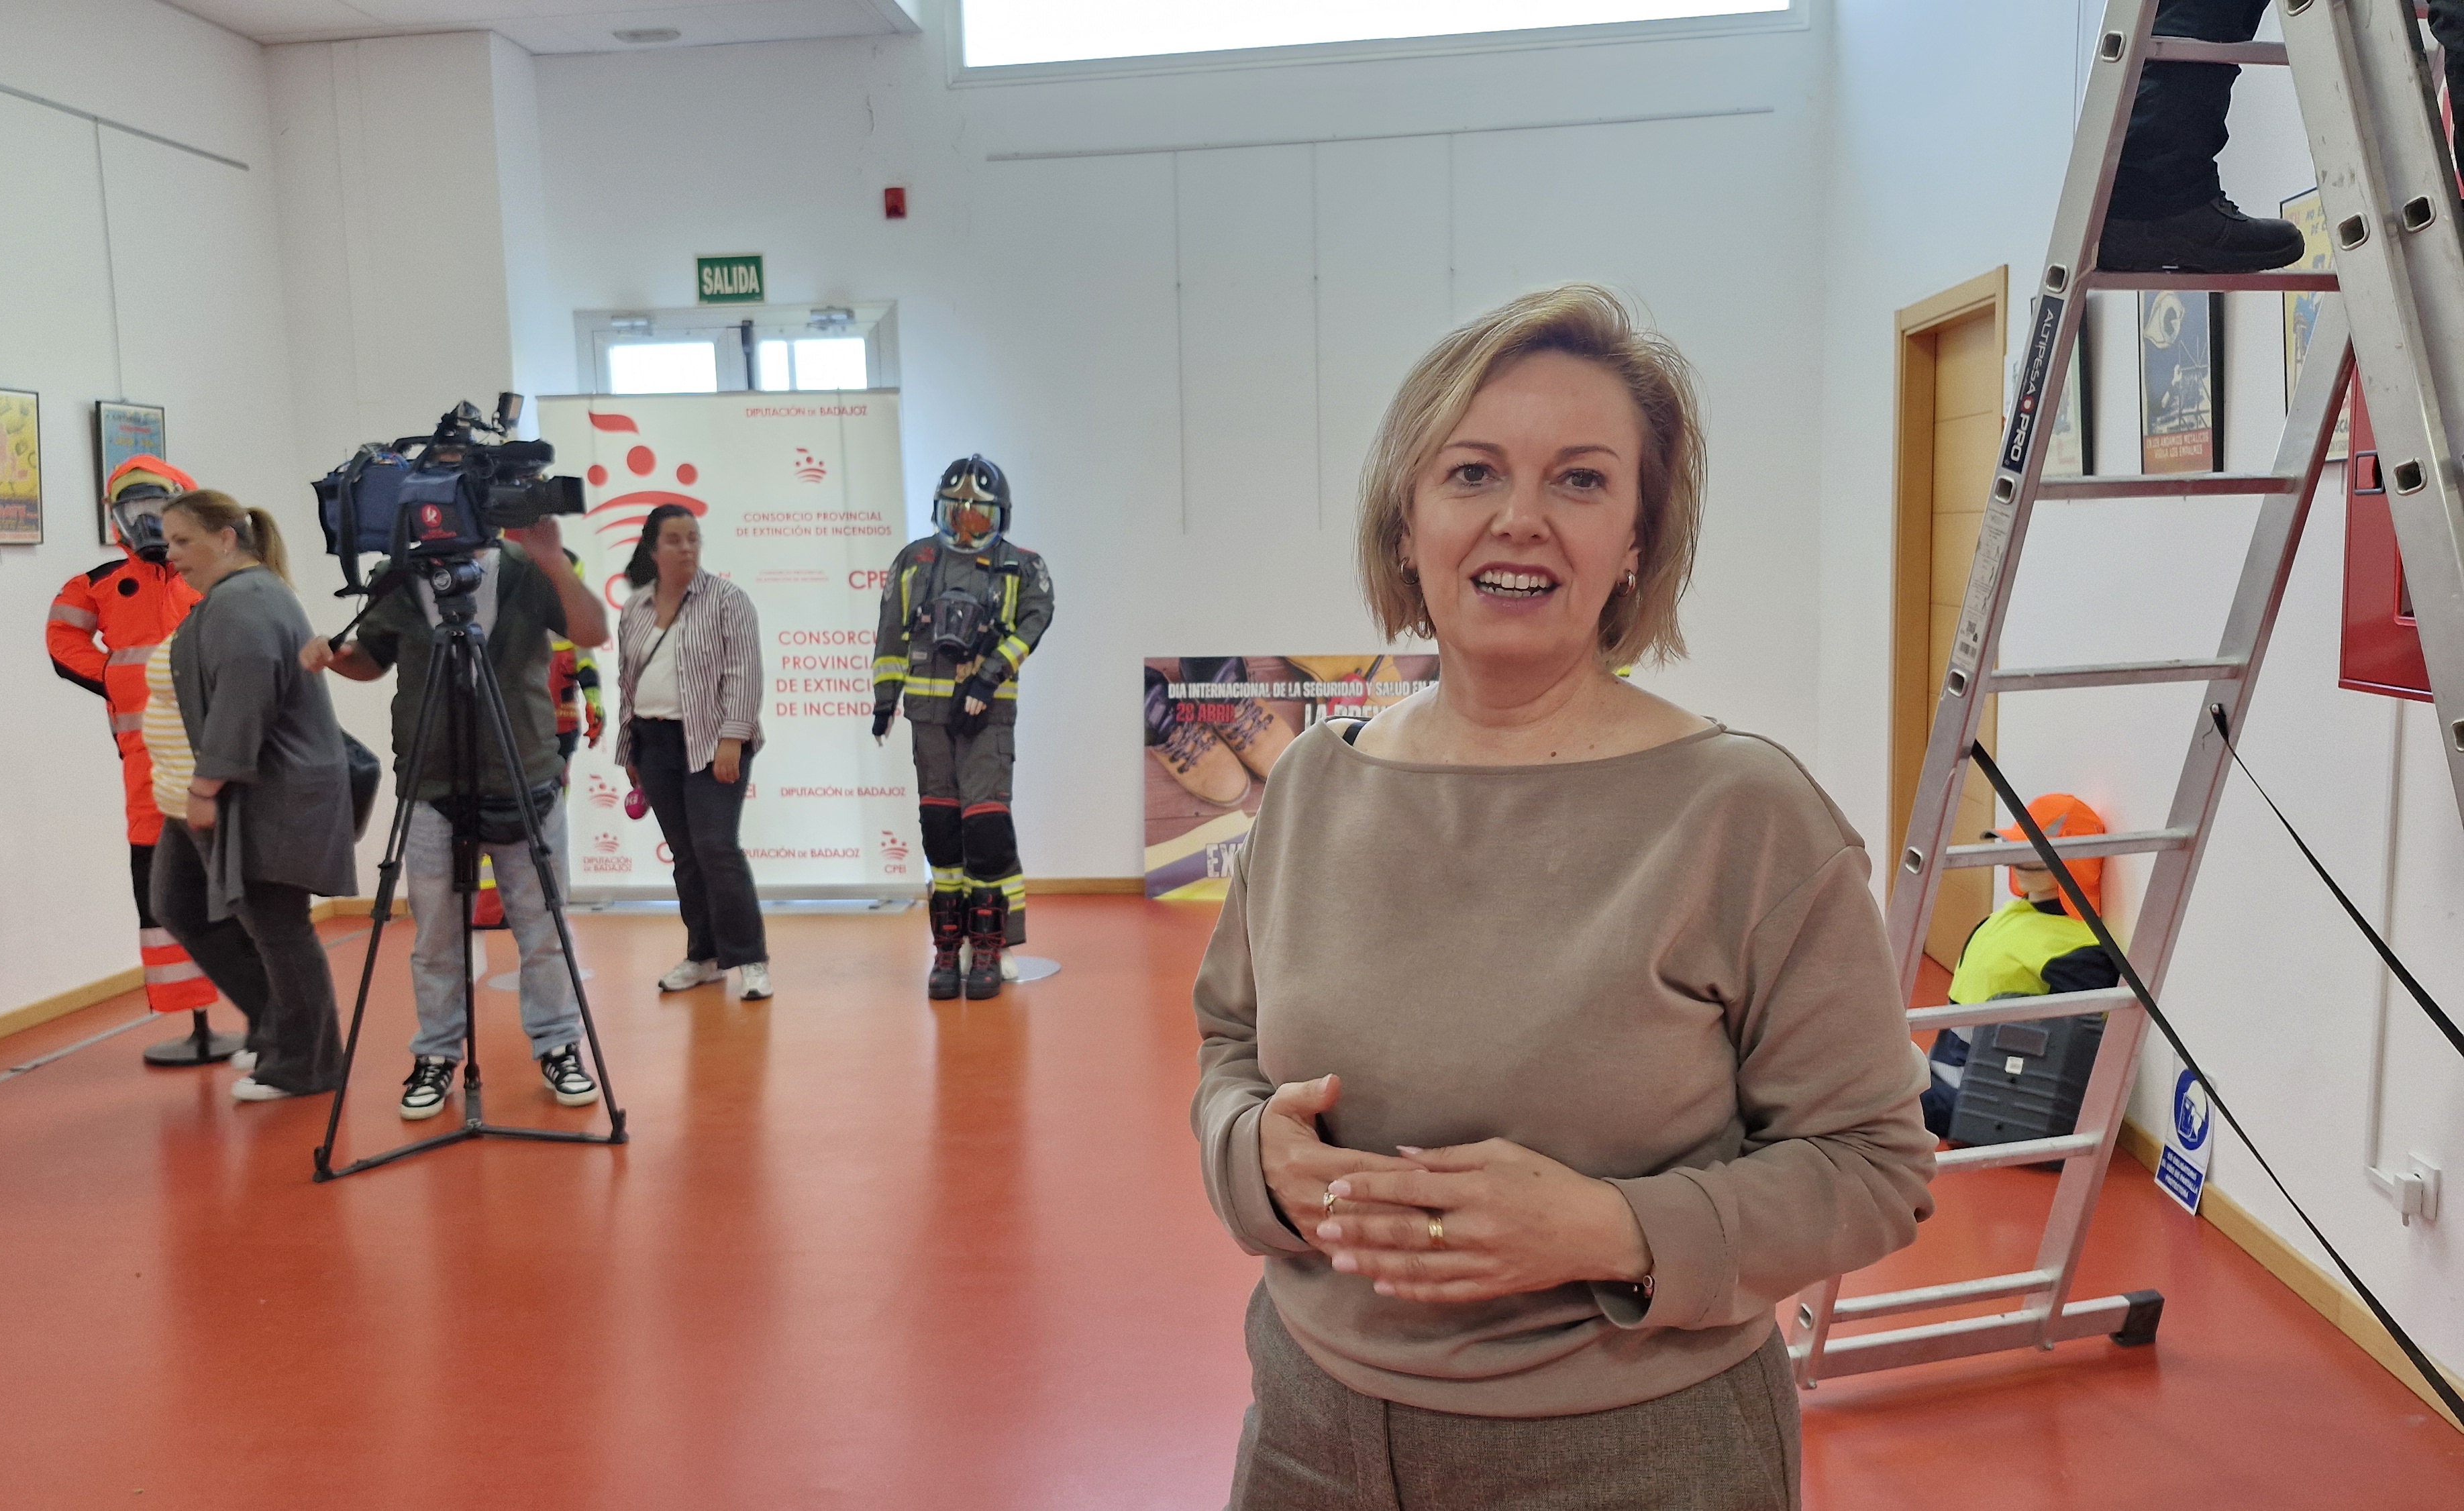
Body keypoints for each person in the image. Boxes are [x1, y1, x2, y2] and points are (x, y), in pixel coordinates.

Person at [1191, 285, 1936, 1510]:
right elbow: (1229, 1046)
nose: (1520, 520)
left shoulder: (1742, 813)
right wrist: (1254, 1156)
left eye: (1582, 481)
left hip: (1636, 1451)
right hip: (1309, 1433)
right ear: (1406, 522)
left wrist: (1610, 1229)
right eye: (1473, 472)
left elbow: (1873, 1166)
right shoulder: (1315, 786)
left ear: (1640, 539)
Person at [303, 519, 611, 1120]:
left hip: (524, 773)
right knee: (436, 935)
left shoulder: (528, 567)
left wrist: (550, 558)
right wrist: (335, 656)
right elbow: (372, 660)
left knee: (543, 927)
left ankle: (559, 1045)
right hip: (432, 779)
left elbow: (591, 631)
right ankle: (437, 1054)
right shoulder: (398, 575)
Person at [145, 492, 358, 1102]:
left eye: (183, 540)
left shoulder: (246, 602)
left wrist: (208, 786)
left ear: (226, 538)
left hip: (247, 796)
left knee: (278, 926)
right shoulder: (228, 599)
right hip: (193, 795)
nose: (172, 553)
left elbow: (244, 702)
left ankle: (307, 1065)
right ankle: (278, 1031)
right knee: (179, 903)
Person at [46, 456, 231, 1063]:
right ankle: (191, 1009)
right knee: (160, 885)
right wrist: (112, 674)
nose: (146, 526)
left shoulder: (213, 578)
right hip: (145, 771)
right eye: (133, 513)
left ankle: (264, 1007)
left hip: (221, 763)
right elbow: (61, 638)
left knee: (238, 880)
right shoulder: (98, 584)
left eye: (158, 512)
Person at [868, 455, 1056, 1000]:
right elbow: (890, 634)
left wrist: (989, 677)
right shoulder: (913, 562)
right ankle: (948, 947)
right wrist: (885, 700)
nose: (967, 524)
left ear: (1001, 516)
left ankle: (993, 945)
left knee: (988, 832)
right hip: (927, 721)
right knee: (941, 832)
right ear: (939, 511)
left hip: (986, 718)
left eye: (979, 515)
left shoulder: (1023, 567)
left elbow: (1036, 620)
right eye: (957, 513)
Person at [613, 505, 772, 1002]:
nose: (686, 548)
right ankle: (702, 957)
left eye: (693, 538)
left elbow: (745, 674)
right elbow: (627, 683)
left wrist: (732, 738)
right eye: (675, 540)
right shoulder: (635, 608)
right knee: (685, 855)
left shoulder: (728, 600)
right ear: (652, 549)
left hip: (711, 741)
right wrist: (629, 749)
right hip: (654, 742)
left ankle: (749, 959)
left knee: (716, 849)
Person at [1922, 793, 2121, 1139]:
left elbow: (2069, 1069)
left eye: (2034, 853)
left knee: (1846, 1096)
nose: (2018, 861)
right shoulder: (1999, 921)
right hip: (1939, 1078)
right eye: (2018, 849)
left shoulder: (2082, 950)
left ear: (2074, 862)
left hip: (1985, 1106)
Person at [2102, 1, 2308, 272]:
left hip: (2143, 198)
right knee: (2203, 18)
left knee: (2203, 21)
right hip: (2164, 198)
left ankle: (2151, 204)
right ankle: (2164, 201)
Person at [550, 548, 607, 762]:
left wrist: (594, 704)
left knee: (558, 784)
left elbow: (587, 669)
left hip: (562, 726)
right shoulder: (517, 621)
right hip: (521, 727)